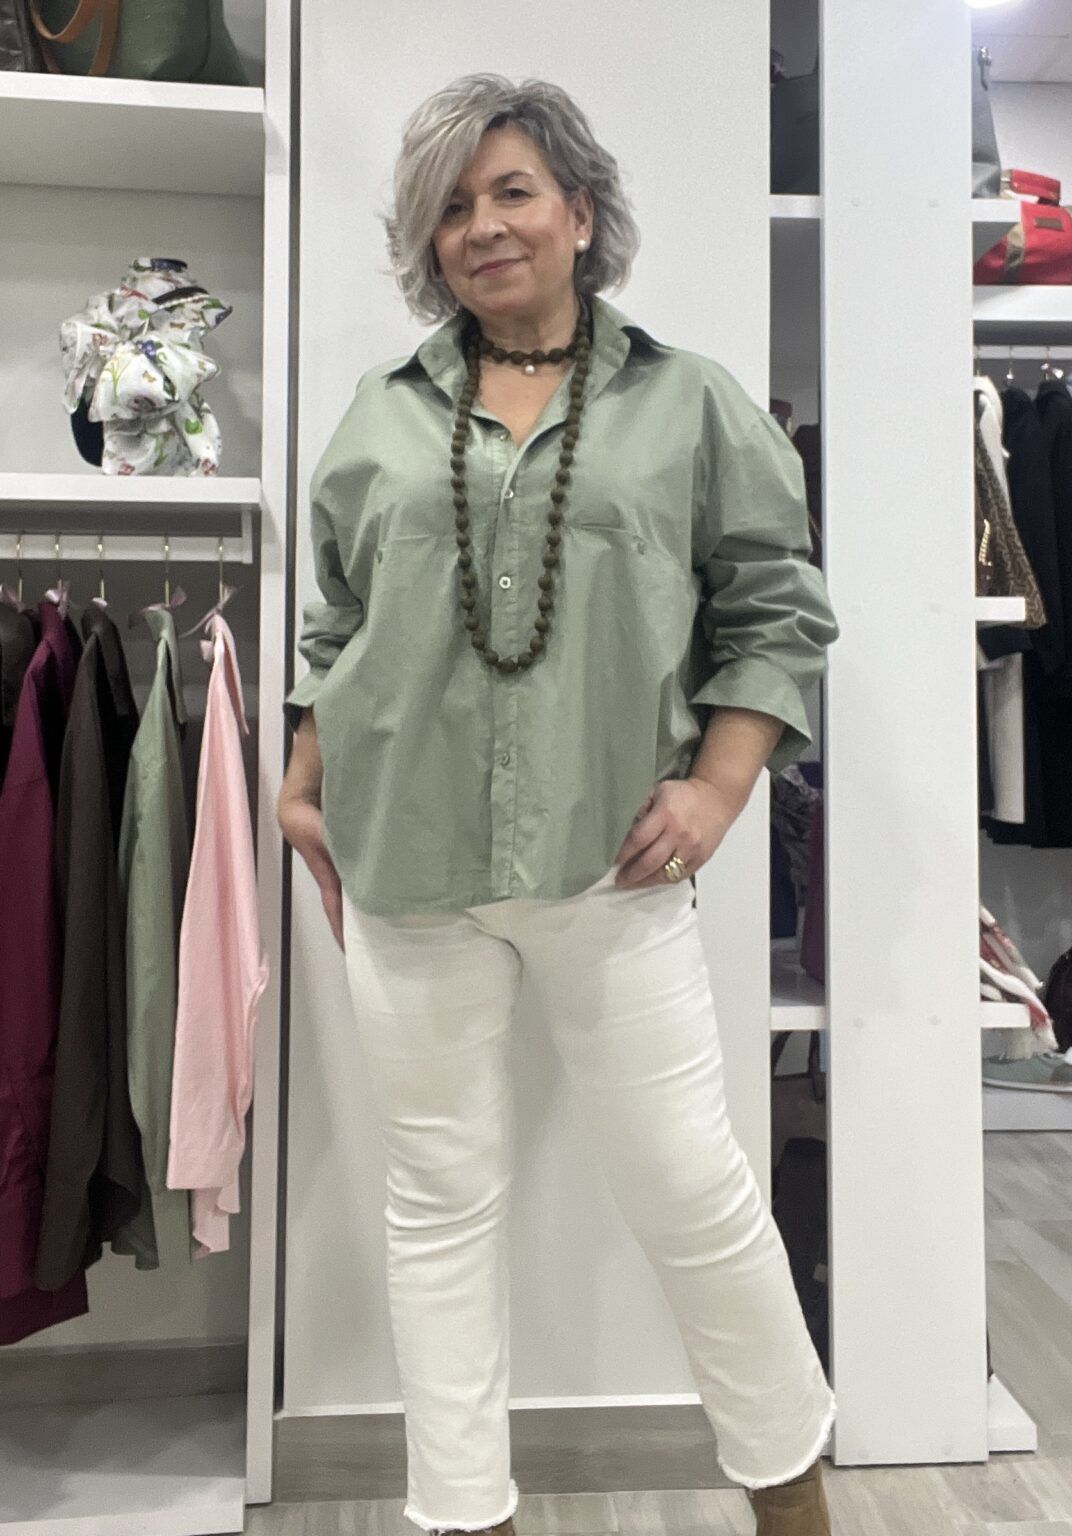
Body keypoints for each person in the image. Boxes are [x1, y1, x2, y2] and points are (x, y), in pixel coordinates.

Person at [278, 72, 839, 1536]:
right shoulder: (381, 414)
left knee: (690, 1189)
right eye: (452, 206)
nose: (483, 225)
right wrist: (302, 771)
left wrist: (720, 786)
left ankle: (791, 1495)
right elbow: (339, 621)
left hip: (614, 869)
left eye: (513, 191)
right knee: (439, 1201)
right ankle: (464, 1515)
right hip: (406, 869)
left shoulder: (687, 403)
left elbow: (776, 609)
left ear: (581, 214)